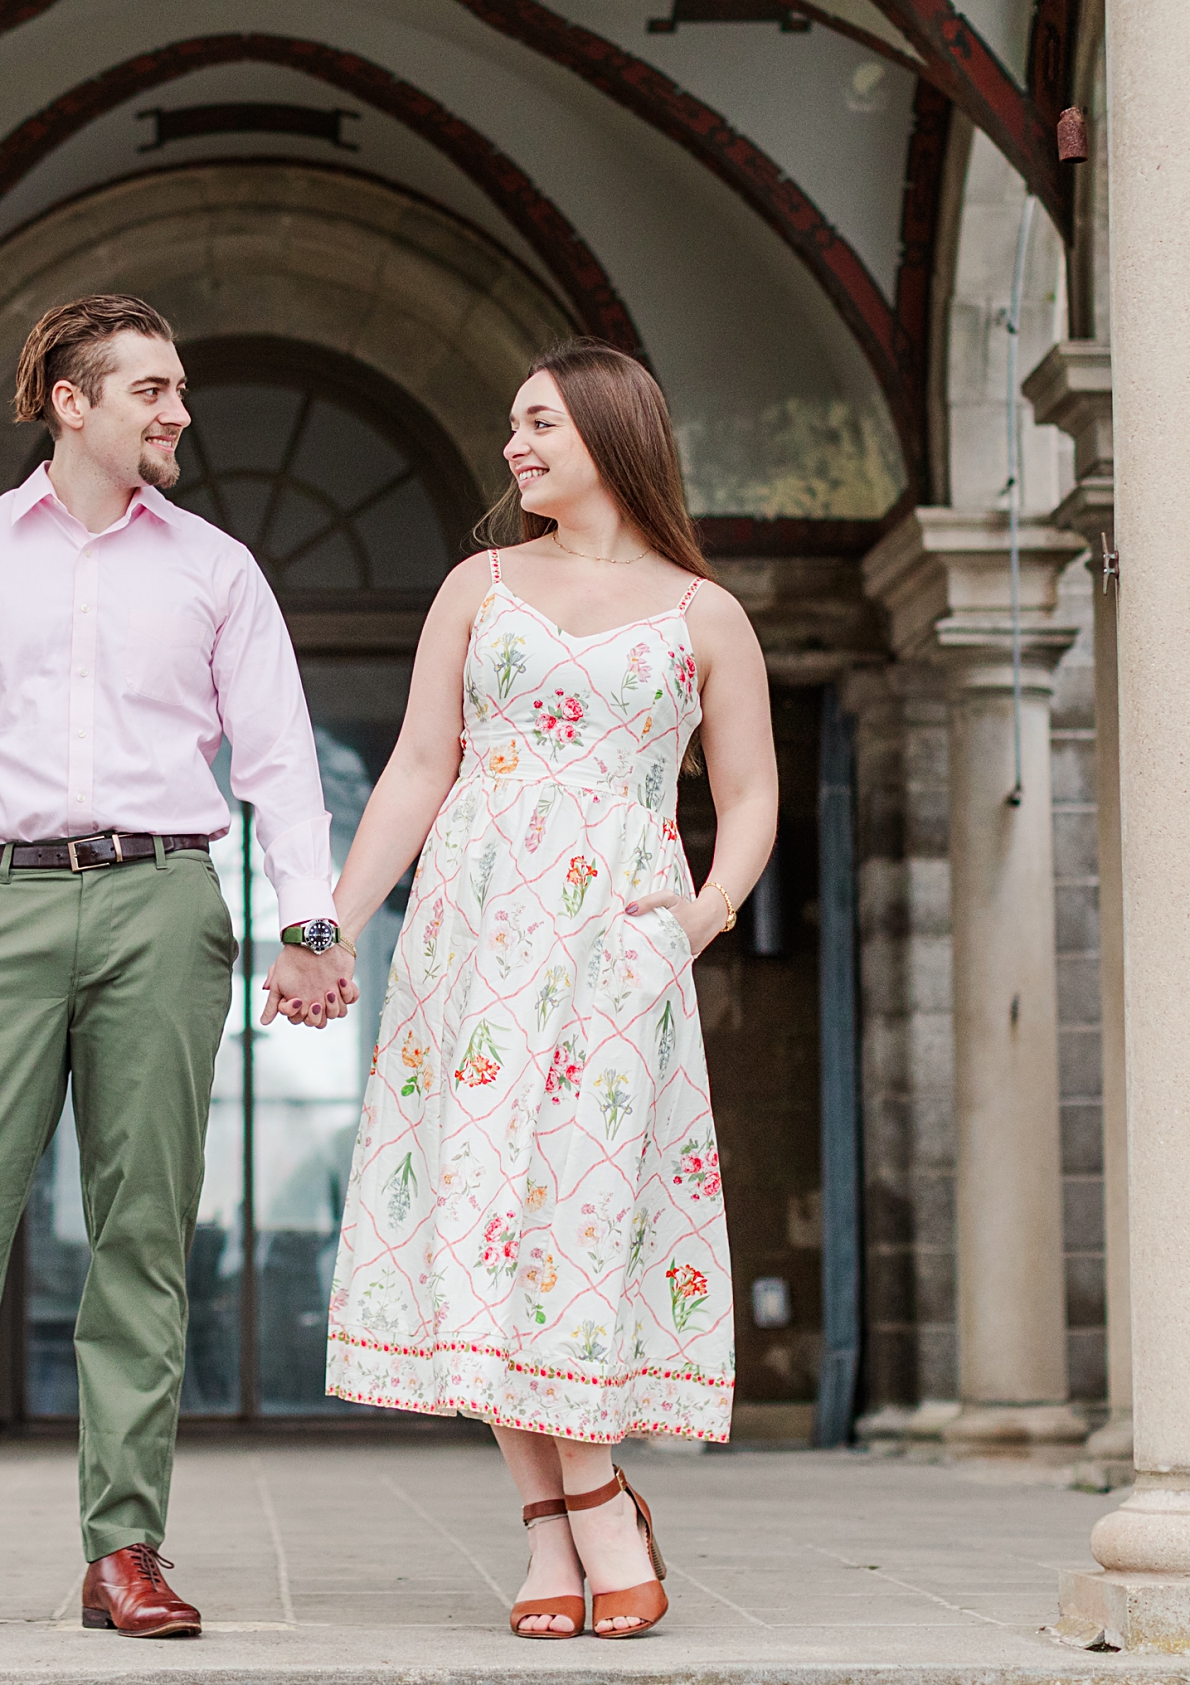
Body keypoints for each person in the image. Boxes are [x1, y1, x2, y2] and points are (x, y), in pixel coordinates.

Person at [0, 293, 358, 1644]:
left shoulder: (217, 568)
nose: (179, 413)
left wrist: (308, 922)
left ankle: (125, 1552)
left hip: (165, 900)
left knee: (143, 1235)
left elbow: (281, 761)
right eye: (153, 390)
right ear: (71, 400)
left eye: (177, 389)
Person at [318, 340, 776, 1642]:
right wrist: (333, 923)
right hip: (470, 938)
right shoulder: (478, 587)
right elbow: (419, 763)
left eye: (539, 425)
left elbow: (749, 792)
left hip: (617, 944)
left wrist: (702, 915)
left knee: (572, 1218)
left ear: (609, 433)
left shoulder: (703, 615)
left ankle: (590, 1510)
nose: (513, 448)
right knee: (481, 1215)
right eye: (513, 426)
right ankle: (567, 1520)